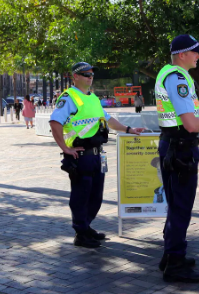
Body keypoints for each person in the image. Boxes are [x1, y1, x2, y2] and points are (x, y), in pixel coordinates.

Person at [49, 62, 145, 248]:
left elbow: (108, 120)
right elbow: (55, 122)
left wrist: (129, 129)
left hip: (97, 154)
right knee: (81, 195)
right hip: (81, 155)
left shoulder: (92, 97)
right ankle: (80, 232)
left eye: (91, 74)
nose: (90, 77)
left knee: (96, 196)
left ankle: (86, 226)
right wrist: (65, 148)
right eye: (85, 74)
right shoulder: (69, 97)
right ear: (75, 77)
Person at [155, 35, 199, 283]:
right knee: (181, 207)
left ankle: (171, 255)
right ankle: (175, 264)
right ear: (182, 55)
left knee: (176, 204)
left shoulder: (171, 75)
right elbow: (190, 123)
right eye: (195, 52)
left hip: (174, 146)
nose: (198, 55)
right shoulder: (176, 77)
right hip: (180, 149)